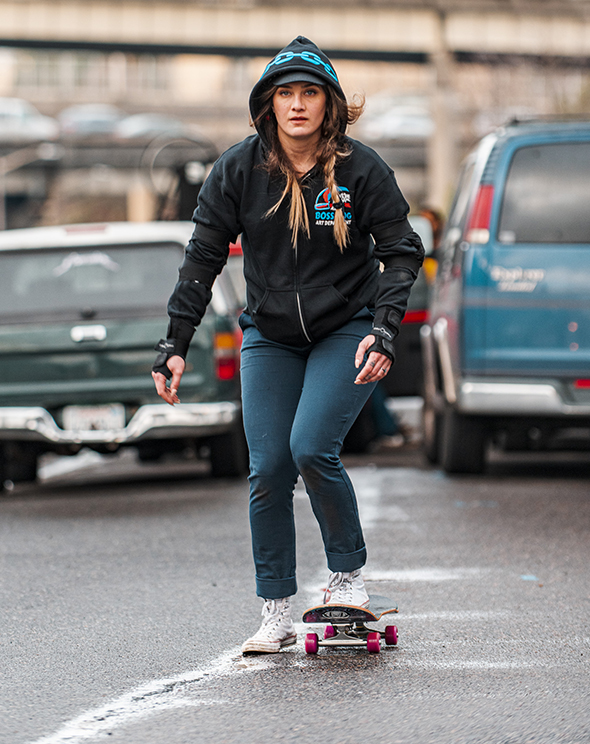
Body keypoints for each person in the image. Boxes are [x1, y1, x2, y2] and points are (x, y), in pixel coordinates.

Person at [152, 36, 424, 654]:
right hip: (269, 336)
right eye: (285, 94)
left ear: (329, 103)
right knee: (268, 467)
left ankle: (347, 576)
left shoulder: (361, 168)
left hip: (346, 329)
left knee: (310, 448)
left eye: (309, 93)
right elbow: (201, 259)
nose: (297, 105)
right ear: (267, 106)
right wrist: (175, 344)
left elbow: (402, 251)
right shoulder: (238, 170)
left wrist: (383, 327)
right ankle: (276, 609)